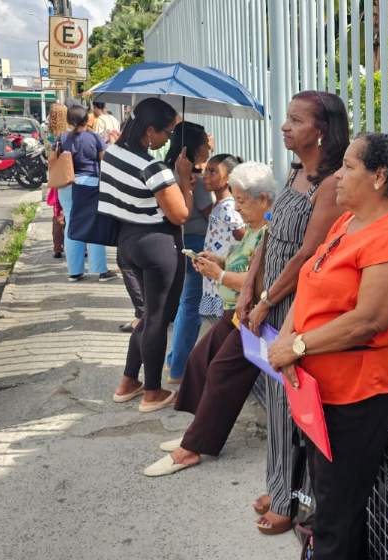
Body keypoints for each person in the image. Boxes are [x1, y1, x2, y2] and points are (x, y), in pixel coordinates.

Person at [267, 133, 388, 559]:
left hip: (356, 397)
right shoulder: (347, 222)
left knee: (338, 513)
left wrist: (297, 346)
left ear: (380, 177)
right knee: (328, 505)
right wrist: (286, 339)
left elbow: (367, 321)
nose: (337, 173)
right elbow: (310, 280)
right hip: (318, 392)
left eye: (350, 166)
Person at [242, 90, 348, 535]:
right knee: (278, 400)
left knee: (290, 404)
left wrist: (267, 300)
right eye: (287, 118)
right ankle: (281, 483)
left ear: (320, 132)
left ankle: (285, 500)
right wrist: (249, 286)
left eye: (296, 120)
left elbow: (308, 253)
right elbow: (270, 238)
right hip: (272, 295)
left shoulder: (331, 183)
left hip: (296, 302)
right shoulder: (294, 172)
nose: (285, 126)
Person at [142, 161, 276, 478]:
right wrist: (219, 260)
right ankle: (196, 433)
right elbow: (238, 262)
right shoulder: (254, 230)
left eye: (242, 201)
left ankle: (190, 449)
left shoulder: (270, 234)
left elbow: (260, 282)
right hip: (235, 313)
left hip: (252, 316)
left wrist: (221, 274)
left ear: (264, 201)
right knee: (200, 359)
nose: (238, 208)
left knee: (221, 370)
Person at [98, 97, 192, 412]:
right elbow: (180, 215)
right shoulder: (153, 168)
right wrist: (182, 178)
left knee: (146, 315)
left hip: (127, 243)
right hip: (157, 245)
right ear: (149, 130)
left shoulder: (111, 154)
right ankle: (152, 391)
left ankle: (128, 381)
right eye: (165, 133)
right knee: (157, 319)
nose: (167, 139)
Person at [161, 123, 213, 383]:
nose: (209, 146)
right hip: (196, 242)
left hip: (177, 242)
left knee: (185, 303)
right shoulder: (196, 181)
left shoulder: (169, 172)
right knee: (191, 305)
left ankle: (174, 361)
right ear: (193, 146)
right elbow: (211, 215)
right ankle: (179, 368)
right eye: (205, 141)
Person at [55, 105, 114, 282]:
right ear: (86, 119)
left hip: (66, 185)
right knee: (93, 225)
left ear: (69, 121)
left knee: (71, 223)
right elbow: (105, 160)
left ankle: (74, 272)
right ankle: (100, 271)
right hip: (89, 184)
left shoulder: (62, 138)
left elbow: (54, 158)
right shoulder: (94, 138)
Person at [198, 154, 247, 322]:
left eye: (212, 172)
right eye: (206, 171)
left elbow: (243, 236)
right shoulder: (220, 204)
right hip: (215, 279)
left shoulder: (228, 207)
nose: (205, 176)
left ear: (229, 178)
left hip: (222, 281)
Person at [46, 103, 69, 260]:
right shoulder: (68, 134)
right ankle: (73, 243)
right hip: (68, 173)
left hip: (55, 174)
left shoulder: (48, 134)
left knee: (57, 211)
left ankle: (57, 247)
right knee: (70, 211)